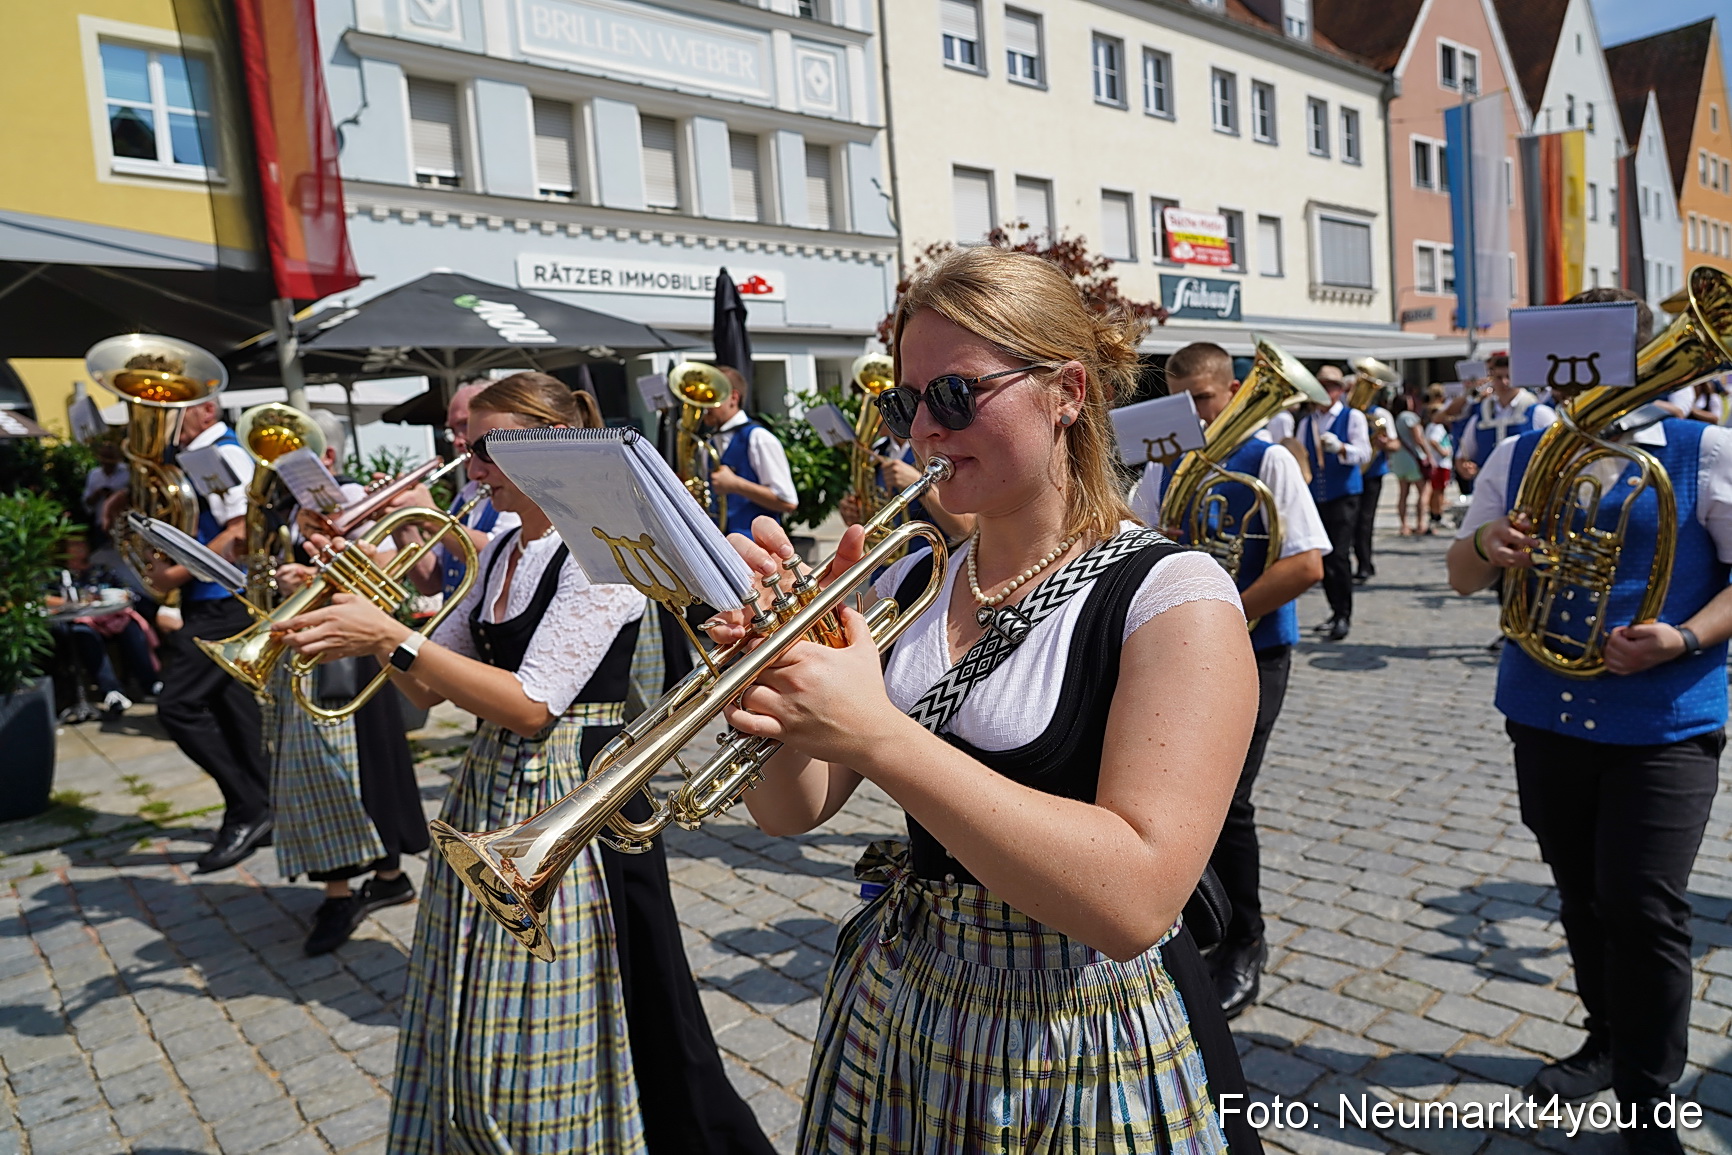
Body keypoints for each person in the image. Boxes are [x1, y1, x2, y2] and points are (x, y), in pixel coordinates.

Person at [708, 247, 1261, 1154]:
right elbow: (790, 810)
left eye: (956, 396)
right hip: (908, 1008)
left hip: (1073, 1037)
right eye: (905, 402)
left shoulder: (1173, 595)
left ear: (1067, 391)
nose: (923, 430)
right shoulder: (921, 578)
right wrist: (775, 674)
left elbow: (1134, 902)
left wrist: (880, 735)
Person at [275, 373, 773, 1155]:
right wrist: (362, 613)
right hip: (497, 792)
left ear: (549, 451)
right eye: (470, 446)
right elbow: (432, 686)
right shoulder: (506, 546)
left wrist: (387, 636)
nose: (472, 465)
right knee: (481, 1005)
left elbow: (534, 704)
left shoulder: (594, 551)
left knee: (615, 1006)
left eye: (489, 448)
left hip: (579, 796)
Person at [1445, 290, 1727, 1155]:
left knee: (1643, 907)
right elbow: (1461, 573)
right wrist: (1488, 543)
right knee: (1580, 893)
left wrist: (1680, 634)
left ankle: (1650, 1102)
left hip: (1664, 720)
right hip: (1544, 710)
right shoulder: (1522, 450)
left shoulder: (1702, 448)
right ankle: (1608, 1038)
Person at [1129, 341, 1327, 1019]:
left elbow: (1306, 565)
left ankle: (1246, 938)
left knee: (1229, 799)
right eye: (1183, 405)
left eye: (1207, 402)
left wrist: (1223, 611)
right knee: (1171, 794)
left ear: (1236, 391)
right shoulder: (1167, 462)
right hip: (1175, 650)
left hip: (1255, 648)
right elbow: (1140, 538)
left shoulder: (1266, 457)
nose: (1197, 418)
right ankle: (1192, 922)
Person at [266, 409, 426, 957]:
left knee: (344, 766)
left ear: (324, 459)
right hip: (316, 646)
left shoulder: (352, 499)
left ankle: (350, 888)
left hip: (348, 650)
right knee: (353, 763)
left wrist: (310, 575)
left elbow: (385, 569)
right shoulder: (294, 511)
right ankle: (380, 877)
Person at [108, 389, 271, 873]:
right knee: (233, 708)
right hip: (212, 603)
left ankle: (247, 806)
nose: (171, 421)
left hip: (224, 602)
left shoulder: (223, 454)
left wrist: (175, 575)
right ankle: (265, 804)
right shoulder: (194, 458)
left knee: (177, 706)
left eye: (179, 409)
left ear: (208, 409)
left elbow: (243, 530)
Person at [401, 379, 520, 599]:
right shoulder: (466, 494)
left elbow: (502, 557)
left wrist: (431, 519)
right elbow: (432, 582)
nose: (457, 441)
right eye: (452, 430)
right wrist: (403, 524)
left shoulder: (515, 489)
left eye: (464, 425)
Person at [46, 534, 158, 717]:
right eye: (74, 543)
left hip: (111, 618)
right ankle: (112, 691)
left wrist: (122, 595)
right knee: (84, 635)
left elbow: (128, 591)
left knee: (132, 627)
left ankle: (150, 683)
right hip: (81, 622)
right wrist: (70, 602)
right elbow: (44, 598)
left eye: (82, 541)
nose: (80, 546)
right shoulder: (57, 576)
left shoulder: (100, 569)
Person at [1298, 365, 1370, 641]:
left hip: (1344, 496)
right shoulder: (1306, 422)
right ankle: (1333, 609)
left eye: (1331, 386)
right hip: (1316, 497)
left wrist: (1341, 448)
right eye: (1322, 386)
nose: (1326, 392)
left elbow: (1363, 453)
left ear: (1340, 390)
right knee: (1323, 556)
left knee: (1339, 556)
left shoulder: (1353, 417)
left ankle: (1344, 615)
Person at [702, 365, 797, 536]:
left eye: (711, 396)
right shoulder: (708, 443)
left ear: (733, 397)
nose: (703, 405)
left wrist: (736, 484)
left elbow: (788, 502)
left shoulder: (759, 438)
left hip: (757, 548)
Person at [1455, 352, 1556, 485]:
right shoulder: (1480, 417)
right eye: (1498, 377)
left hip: (1526, 488)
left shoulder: (1540, 413)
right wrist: (1466, 468)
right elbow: (1462, 457)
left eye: (1509, 377)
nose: (1504, 382)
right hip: (1490, 489)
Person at [1353, 391, 1399, 583]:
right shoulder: (1348, 413)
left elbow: (1395, 444)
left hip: (1372, 473)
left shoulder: (1380, 413)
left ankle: (1365, 564)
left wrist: (1384, 443)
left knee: (1364, 520)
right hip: (1350, 472)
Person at [1389, 395, 1431, 537]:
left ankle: (1404, 526)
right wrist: (1429, 455)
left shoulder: (1394, 419)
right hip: (1413, 458)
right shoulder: (1410, 417)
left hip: (1399, 459)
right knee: (1423, 491)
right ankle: (1420, 524)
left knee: (1403, 494)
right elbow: (1418, 438)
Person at [82, 440, 130, 546]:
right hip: (101, 523)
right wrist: (98, 494)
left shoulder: (127, 472)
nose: (108, 465)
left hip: (123, 523)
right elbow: (87, 502)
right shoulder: (94, 475)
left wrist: (117, 496)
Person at [1422, 404, 1455, 532]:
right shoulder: (1437, 427)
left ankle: (1434, 514)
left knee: (1436, 490)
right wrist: (1443, 452)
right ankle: (1438, 515)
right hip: (1441, 463)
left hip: (1439, 463)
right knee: (1439, 491)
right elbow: (1433, 441)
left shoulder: (1431, 426)